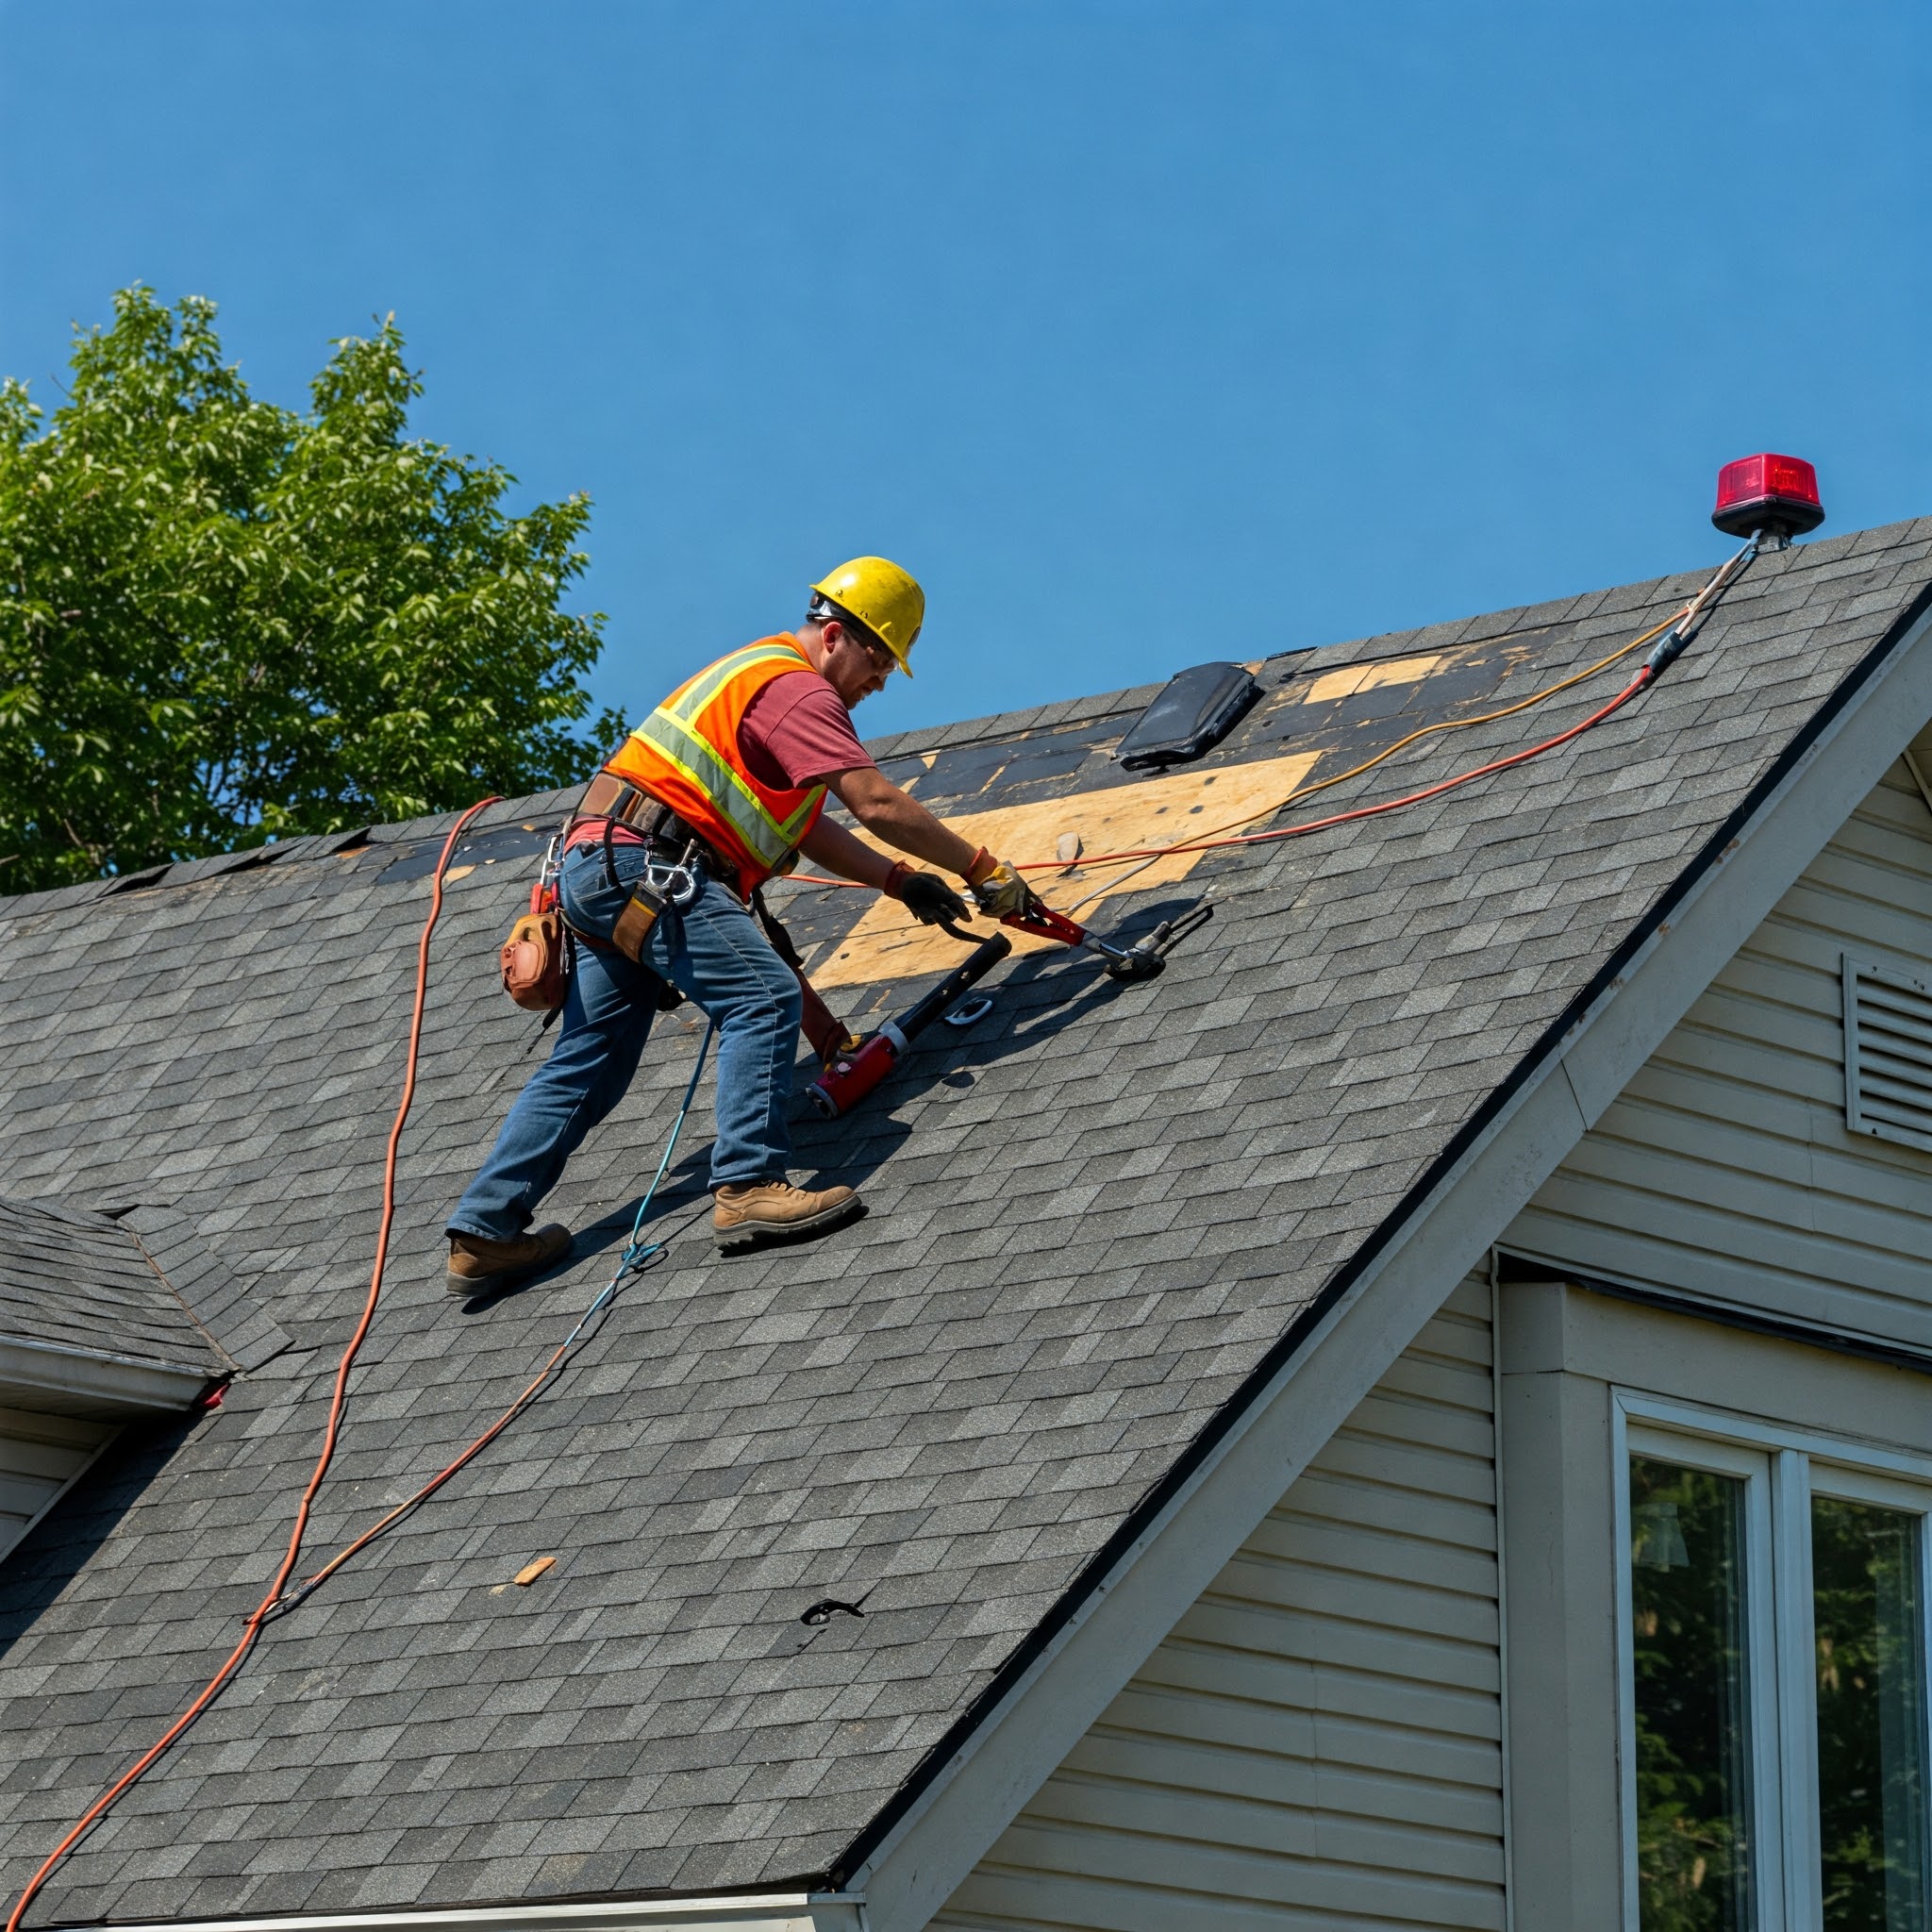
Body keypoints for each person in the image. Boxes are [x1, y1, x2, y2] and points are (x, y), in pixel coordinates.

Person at [444, 557, 1035, 1291]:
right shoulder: (796, 690)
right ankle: (749, 1185)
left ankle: (486, 1231)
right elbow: (876, 803)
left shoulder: (758, 682)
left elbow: (812, 824)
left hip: (602, 869)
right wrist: (980, 866)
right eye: (879, 657)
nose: (880, 680)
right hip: (650, 866)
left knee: (590, 1058)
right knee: (759, 997)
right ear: (833, 635)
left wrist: (898, 878)